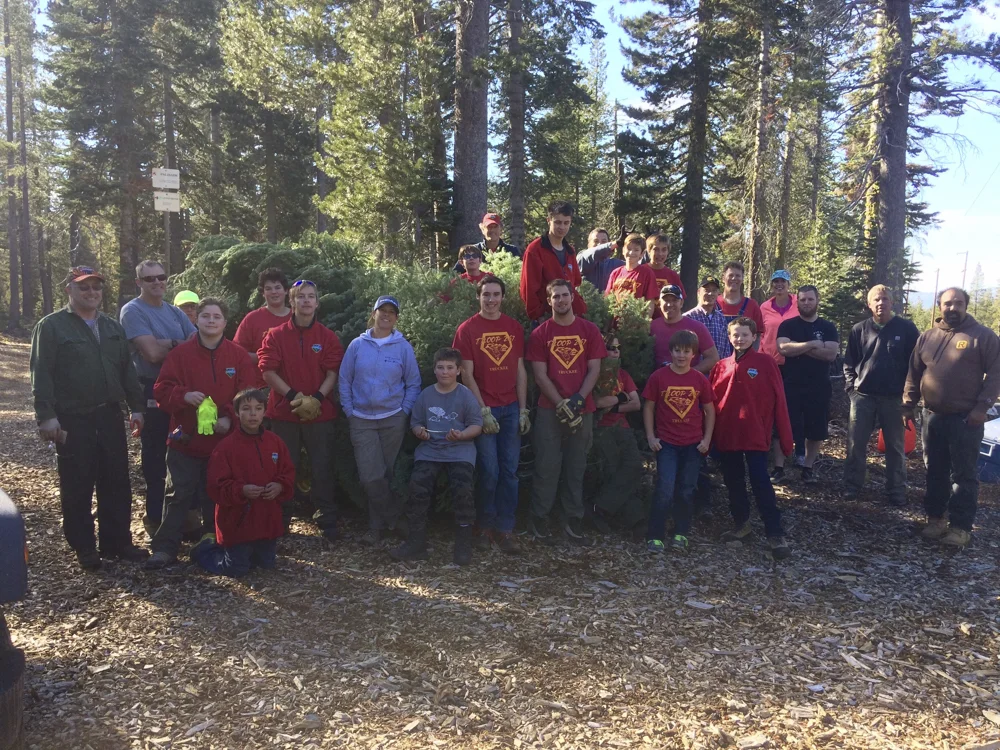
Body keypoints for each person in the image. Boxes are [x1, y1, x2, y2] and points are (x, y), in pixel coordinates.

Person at [30, 266, 147, 570]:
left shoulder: (111, 326)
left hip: (109, 414)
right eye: (84, 287)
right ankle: (84, 547)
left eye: (96, 287)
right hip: (73, 418)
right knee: (78, 483)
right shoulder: (52, 326)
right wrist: (46, 415)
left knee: (117, 481)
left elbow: (126, 370)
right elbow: (41, 373)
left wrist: (137, 407)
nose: (92, 292)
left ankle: (117, 542)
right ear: (69, 289)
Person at [145, 298, 256, 570]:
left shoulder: (237, 356)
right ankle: (165, 549)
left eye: (216, 317)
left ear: (224, 322)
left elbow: (248, 393)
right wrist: (184, 395)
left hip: (223, 442)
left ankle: (217, 544)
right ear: (196, 320)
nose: (210, 321)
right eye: (205, 316)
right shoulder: (180, 354)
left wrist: (229, 418)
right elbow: (161, 390)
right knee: (178, 494)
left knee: (218, 494)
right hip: (186, 439)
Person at [903, 287, 1000, 549]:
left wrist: (982, 408)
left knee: (964, 475)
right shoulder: (927, 337)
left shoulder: (983, 337)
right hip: (932, 417)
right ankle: (935, 519)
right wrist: (907, 404)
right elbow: (914, 372)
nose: (952, 308)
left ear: (966, 305)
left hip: (966, 419)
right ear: (940, 306)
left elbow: (995, 374)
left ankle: (960, 527)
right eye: (947, 303)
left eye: (958, 303)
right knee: (935, 470)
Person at [258, 279, 345, 541]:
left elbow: (333, 372)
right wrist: (294, 396)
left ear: (317, 303)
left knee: (322, 465)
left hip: (320, 413)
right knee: (286, 466)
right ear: (292, 302)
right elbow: (267, 371)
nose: (306, 301)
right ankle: (282, 518)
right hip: (284, 413)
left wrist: (317, 398)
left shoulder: (327, 337)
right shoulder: (275, 335)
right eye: (301, 297)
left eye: (311, 296)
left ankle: (326, 517)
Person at [525, 279, 606, 546]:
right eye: (555, 297)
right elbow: (539, 374)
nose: (560, 300)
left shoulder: (589, 330)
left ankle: (573, 520)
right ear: (548, 301)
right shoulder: (540, 334)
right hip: (550, 409)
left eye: (564, 295)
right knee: (547, 466)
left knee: (576, 465)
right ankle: (540, 518)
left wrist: (578, 400)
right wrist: (561, 402)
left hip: (583, 408)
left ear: (572, 297)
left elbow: (595, 368)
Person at [120, 260, 197, 538]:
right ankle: (155, 521)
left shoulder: (176, 312)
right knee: (155, 459)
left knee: (184, 452)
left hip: (181, 393)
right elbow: (151, 354)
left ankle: (184, 518)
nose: (156, 283)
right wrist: (178, 344)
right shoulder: (132, 311)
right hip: (151, 392)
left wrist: (165, 344)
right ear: (138, 282)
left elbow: (197, 345)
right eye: (149, 278)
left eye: (161, 277)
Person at [453, 276, 528, 554]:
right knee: (489, 471)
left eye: (496, 294)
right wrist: (481, 410)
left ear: (503, 297)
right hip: (482, 409)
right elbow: (467, 374)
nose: (491, 299)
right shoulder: (468, 329)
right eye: (486, 294)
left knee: (509, 472)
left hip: (510, 409)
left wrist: (523, 409)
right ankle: (483, 527)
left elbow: (520, 370)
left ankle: (505, 529)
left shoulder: (514, 328)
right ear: (478, 297)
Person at [339, 295, 422, 545]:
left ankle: (375, 528)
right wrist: (349, 411)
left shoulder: (402, 346)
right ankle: (396, 520)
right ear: (373, 313)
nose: (386, 315)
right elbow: (345, 379)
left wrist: (403, 411)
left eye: (391, 312)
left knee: (384, 474)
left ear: (396, 317)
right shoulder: (357, 345)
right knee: (370, 477)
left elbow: (413, 382)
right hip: (361, 419)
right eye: (381, 310)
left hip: (392, 418)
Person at [389, 348, 484, 565]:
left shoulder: (465, 395)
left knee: (463, 491)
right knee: (417, 488)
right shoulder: (426, 395)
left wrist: (461, 435)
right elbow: (415, 423)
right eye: (440, 367)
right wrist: (420, 432)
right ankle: (416, 543)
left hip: (459, 451)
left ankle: (463, 544)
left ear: (458, 371)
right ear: (434, 370)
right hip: (430, 450)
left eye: (450, 368)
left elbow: (477, 425)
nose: (445, 372)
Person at [710, 317, 792, 560]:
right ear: (729, 337)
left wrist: (785, 438)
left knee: (760, 482)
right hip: (728, 434)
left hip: (755, 434)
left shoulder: (766, 363)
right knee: (733, 481)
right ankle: (741, 525)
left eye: (745, 334)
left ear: (754, 337)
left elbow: (780, 401)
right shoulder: (721, 366)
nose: (740, 339)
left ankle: (774, 533)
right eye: (735, 334)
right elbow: (711, 403)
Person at [190, 388, 296, 577]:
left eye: (258, 408)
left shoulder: (275, 443)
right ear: (237, 413)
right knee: (236, 569)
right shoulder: (226, 447)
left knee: (266, 566)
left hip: (266, 520)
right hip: (238, 521)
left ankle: (253, 551)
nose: (253, 414)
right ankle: (204, 549)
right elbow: (215, 486)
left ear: (265, 411)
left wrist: (280, 485)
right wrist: (241, 490)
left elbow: (288, 472)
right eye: (246, 409)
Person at [842, 285, 919, 506]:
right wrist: (851, 390)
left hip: (895, 399)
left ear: (892, 302)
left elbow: (916, 365)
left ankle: (896, 491)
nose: (880, 303)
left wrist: (909, 398)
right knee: (856, 444)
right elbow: (849, 362)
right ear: (869, 304)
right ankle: (852, 485)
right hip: (863, 396)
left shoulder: (906, 328)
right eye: (876, 299)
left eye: (885, 298)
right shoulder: (859, 329)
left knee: (895, 447)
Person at [642, 330, 715, 553]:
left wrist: (707, 439)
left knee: (686, 489)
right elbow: (649, 407)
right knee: (665, 488)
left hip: (693, 444)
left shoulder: (699, 380)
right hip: (667, 444)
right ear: (671, 351)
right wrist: (651, 436)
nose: (681, 355)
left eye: (686, 351)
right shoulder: (659, 377)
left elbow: (710, 410)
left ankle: (681, 532)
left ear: (694, 354)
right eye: (677, 351)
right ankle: (655, 535)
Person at [774, 286, 839, 484]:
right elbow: (783, 348)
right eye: (802, 300)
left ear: (817, 300)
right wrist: (811, 344)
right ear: (797, 301)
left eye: (810, 299)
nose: (806, 303)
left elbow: (831, 354)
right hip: (791, 383)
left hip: (819, 385)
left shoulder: (828, 327)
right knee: (782, 425)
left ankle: (808, 468)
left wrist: (798, 347)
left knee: (816, 428)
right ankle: (778, 467)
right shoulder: (788, 325)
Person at [589, 332, 644, 540]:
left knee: (634, 467)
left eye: (618, 348)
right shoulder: (594, 373)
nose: (616, 351)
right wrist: (620, 398)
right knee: (614, 472)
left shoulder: (623, 375)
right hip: (602, 429)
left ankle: (599, 508)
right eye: (611, 348)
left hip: (623, 427)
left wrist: (613, 405)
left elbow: (636, 403)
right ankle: (637, 522)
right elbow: (596, 403)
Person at [520, 201, 587, 324]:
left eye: (566, 223)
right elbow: (528, 288)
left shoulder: (570, 250)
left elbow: (576, 282)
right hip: (546, 317)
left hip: (571, 315)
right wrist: (538, 316)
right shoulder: (535, 250)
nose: (562, 227)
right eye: (557, 222)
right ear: (549, 220)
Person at [233, 268, 292, 388]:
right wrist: (266, 358)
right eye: (268, 289)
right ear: (263, 293)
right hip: (260, 388)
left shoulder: (297, 318)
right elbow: (237, 353)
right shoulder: (252, 319)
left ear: (286, 291)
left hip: (293, 385)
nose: (273, 292)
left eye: (277, 287)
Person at [650, 285, 719, 373]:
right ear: (659, 303)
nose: (669, 304)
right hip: (658, 383)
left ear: (681, 303)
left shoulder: (697, 327)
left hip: (688, 385)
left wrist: (689, 373)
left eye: (674, 300)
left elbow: (713, 358)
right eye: (666, 300)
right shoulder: (651, 326)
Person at [452, 212, 521, 273]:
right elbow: (454, 274)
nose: (492, 230)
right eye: (489, 227)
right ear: (482, 229)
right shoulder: (472, 251)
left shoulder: (512, 251)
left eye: (495, 227)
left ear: (501, 229)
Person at [605, 233, 659, 306]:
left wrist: (646, 317)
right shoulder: (615, 273)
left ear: (642, 253)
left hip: (637, 316)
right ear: (623, 250)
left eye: (636, 250)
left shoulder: (647, 273)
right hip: (616, 316)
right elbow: (607, 299)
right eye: (629, 248)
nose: (631, 252)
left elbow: (650, 302)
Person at [716, 261, 765, 343]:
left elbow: (757, 335)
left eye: (738, 276)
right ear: (723, 278)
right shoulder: (713, 304)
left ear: (742, 279)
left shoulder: (752, 305)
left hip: (744, 354)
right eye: (730, 275)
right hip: (717, 355)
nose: (734, 278)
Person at [685, 276, 730, 357]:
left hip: (718, 368)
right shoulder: (688, 317)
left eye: (714, 290)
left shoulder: (721, 318)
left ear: (718, 294)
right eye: (707, 290)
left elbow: (726, 348)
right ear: (698, 292)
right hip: (697, 368)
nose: (710, 293)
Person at [759, 271, 797, 364]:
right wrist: (759, 356)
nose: (779, 284)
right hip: (770, 361)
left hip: (796, 359)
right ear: (772, 285)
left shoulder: (798, 303)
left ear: (788, 284)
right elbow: (761, 334)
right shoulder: (764, 307)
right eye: (776, 281)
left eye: (783, 281)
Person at [577, 226, 627, 293]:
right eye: (596, 241)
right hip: (585, 302)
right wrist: (617, 243)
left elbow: (636, 266)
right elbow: (594, 252)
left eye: (603, 241)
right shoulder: (582, 257)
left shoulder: (616, 264)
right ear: (588, 244)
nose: (600, 244)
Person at [644, 234, 686, 301]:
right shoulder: (641, 272)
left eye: (664, 250)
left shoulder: (672, 275)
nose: (660, 254)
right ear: (649, 251)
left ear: (668, 252)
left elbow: (681, 300)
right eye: (656, 249)